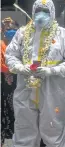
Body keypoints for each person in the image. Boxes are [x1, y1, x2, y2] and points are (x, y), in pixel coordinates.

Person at [5, 0, 65, 147]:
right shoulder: (22, 33)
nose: (41, 14)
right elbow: (10, 55)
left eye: (45, 11)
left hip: (53, 90)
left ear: (52, 12)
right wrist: (19, 67)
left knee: (53, 130)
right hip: (25, 88)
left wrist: (52, 70)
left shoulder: (64, 35)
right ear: (33, 11)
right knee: (24, 131)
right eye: (38, 10)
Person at [1, 17, 19, 145]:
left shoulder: (20, 46)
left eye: (13, 29)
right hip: (3, 84)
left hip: (17, 84)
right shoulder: (1, 44)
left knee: (16, 110)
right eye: (8, 29)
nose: (11, 31)